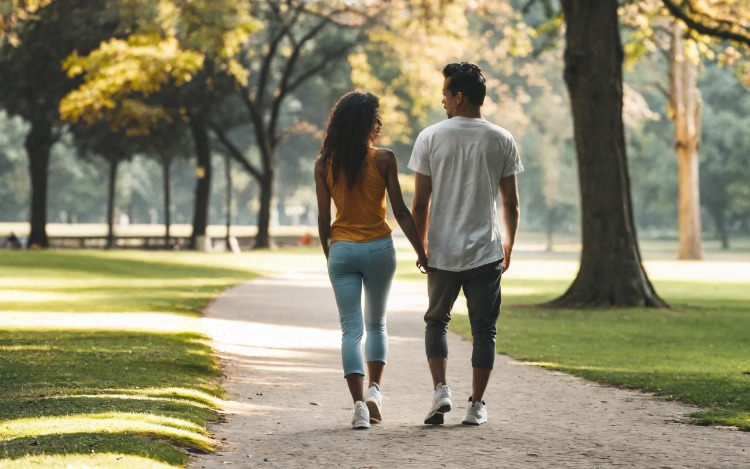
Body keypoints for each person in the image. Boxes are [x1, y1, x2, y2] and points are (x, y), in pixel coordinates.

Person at [408, 62, 523, 426]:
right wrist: (508, 245)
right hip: (485, 251)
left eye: (445, 93)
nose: (442, 100)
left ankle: (441, 389)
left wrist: (420, 246)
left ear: (459, 96)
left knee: (436, 323)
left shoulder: (430, 137)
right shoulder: (501, 139)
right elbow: (511, 204)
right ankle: (476, 405)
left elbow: (421, 203)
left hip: (442, 250)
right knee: (484, 330)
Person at [314, 91, 430, 430]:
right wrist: (421, 252)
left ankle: (358, 408)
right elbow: (401, 212)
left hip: (343, 249)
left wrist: (329, 251)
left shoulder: (324, 164)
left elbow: (324, 218)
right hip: (380, 248)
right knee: (377, 323)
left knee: (351, 329)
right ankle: (375, 393)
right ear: (370, 124)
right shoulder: (384, 159)